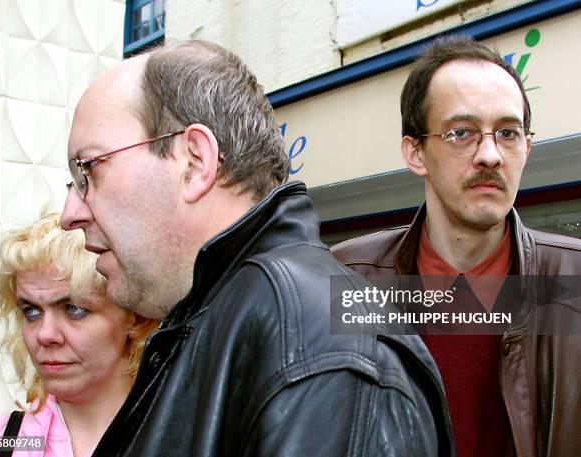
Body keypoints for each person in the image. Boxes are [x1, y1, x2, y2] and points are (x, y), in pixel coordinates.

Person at [60, 40, 454, 456]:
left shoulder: (316, 351)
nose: (70, 212)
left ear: (195, 161)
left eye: (88, 170)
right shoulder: (234, 321)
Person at [333, 36, 581, 457]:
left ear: (527, 147)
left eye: (507, 132)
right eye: (461, 132)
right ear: (416, 153)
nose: (490, 155)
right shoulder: (346, 277)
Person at [0, 213, 157, 456]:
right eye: (31, 311)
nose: (45, 334)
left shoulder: (185, 436)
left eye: (74, 309)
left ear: (137, 317)